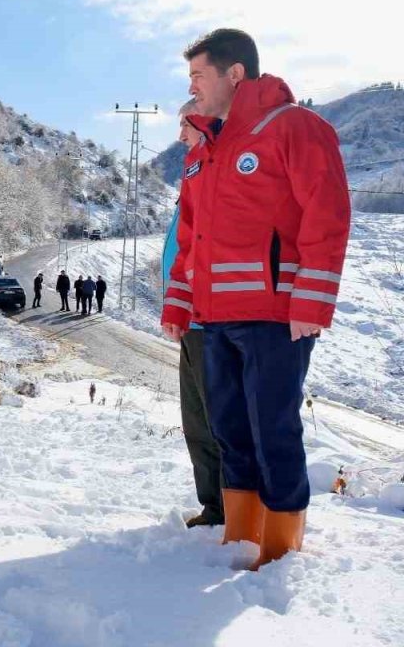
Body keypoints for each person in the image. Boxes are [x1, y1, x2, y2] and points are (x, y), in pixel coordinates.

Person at [161, 29, 350, 569]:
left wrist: (311, 305)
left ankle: (281, 550)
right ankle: (241, 538)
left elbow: (327, 215)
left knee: (274, 432)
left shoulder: (294, 127)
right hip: (214, 320)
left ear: (234, 73)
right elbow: (191, 242)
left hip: (274, 318)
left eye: (198, 75)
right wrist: (179, 306)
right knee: (230, 433)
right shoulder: (203, 152)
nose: (192, 86)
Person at [163, 98, 224, 530]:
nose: (180, 135)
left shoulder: (219, 173)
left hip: (214, 319)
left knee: (219, 424)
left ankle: (232, 513)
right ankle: (215, 509)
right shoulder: (194, 174)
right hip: (191, 321)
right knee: (196, 423)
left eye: (184, 124)